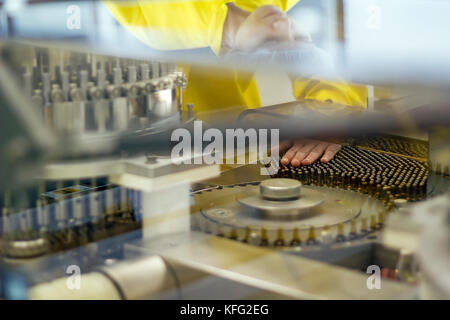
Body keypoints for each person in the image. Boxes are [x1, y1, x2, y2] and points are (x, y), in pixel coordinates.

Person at [104, 0, 367, 166]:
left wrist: (328, 111)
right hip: (113, 148)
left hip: (228, 152)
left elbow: (313, 31)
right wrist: (226, 23)